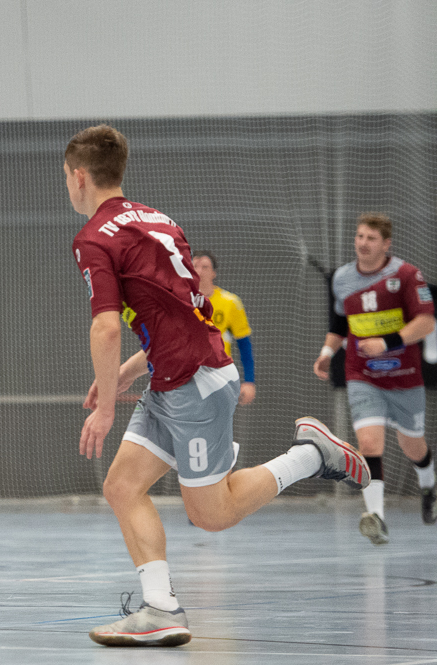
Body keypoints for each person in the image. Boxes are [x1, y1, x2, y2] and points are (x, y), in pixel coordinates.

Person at [66, 124, 370, 647]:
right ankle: (160, 609)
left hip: (194, 383)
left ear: (78, 177)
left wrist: (107, 407)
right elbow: (178, 315)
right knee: (121, 487)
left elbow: (106, 326)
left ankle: (310, 456)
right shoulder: (158, 220)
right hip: (175, 376)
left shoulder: (94, 237)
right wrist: (126, 373)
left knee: (211, 514)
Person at [313, 213, 436, 544]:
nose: (363, 243)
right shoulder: (342, 278)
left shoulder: (406, 275)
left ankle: (428, 485)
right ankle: (376, 517)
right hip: (362, 374)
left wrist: (387, 342)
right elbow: (340, 324)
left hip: (404, 375)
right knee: (369, 443)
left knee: (412, 445)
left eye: (371, 238)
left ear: (386, 244)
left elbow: (426, 322)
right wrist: (326, 353)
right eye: (359, 236)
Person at [192, 251, 256, 405]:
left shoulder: (230, 302)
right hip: (187, 376)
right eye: (195, 266)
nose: (199, 271)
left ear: (214, 273)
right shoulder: (179, 302)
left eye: (205, 267)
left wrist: (249, 381)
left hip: (219, 375)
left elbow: (244, 344)